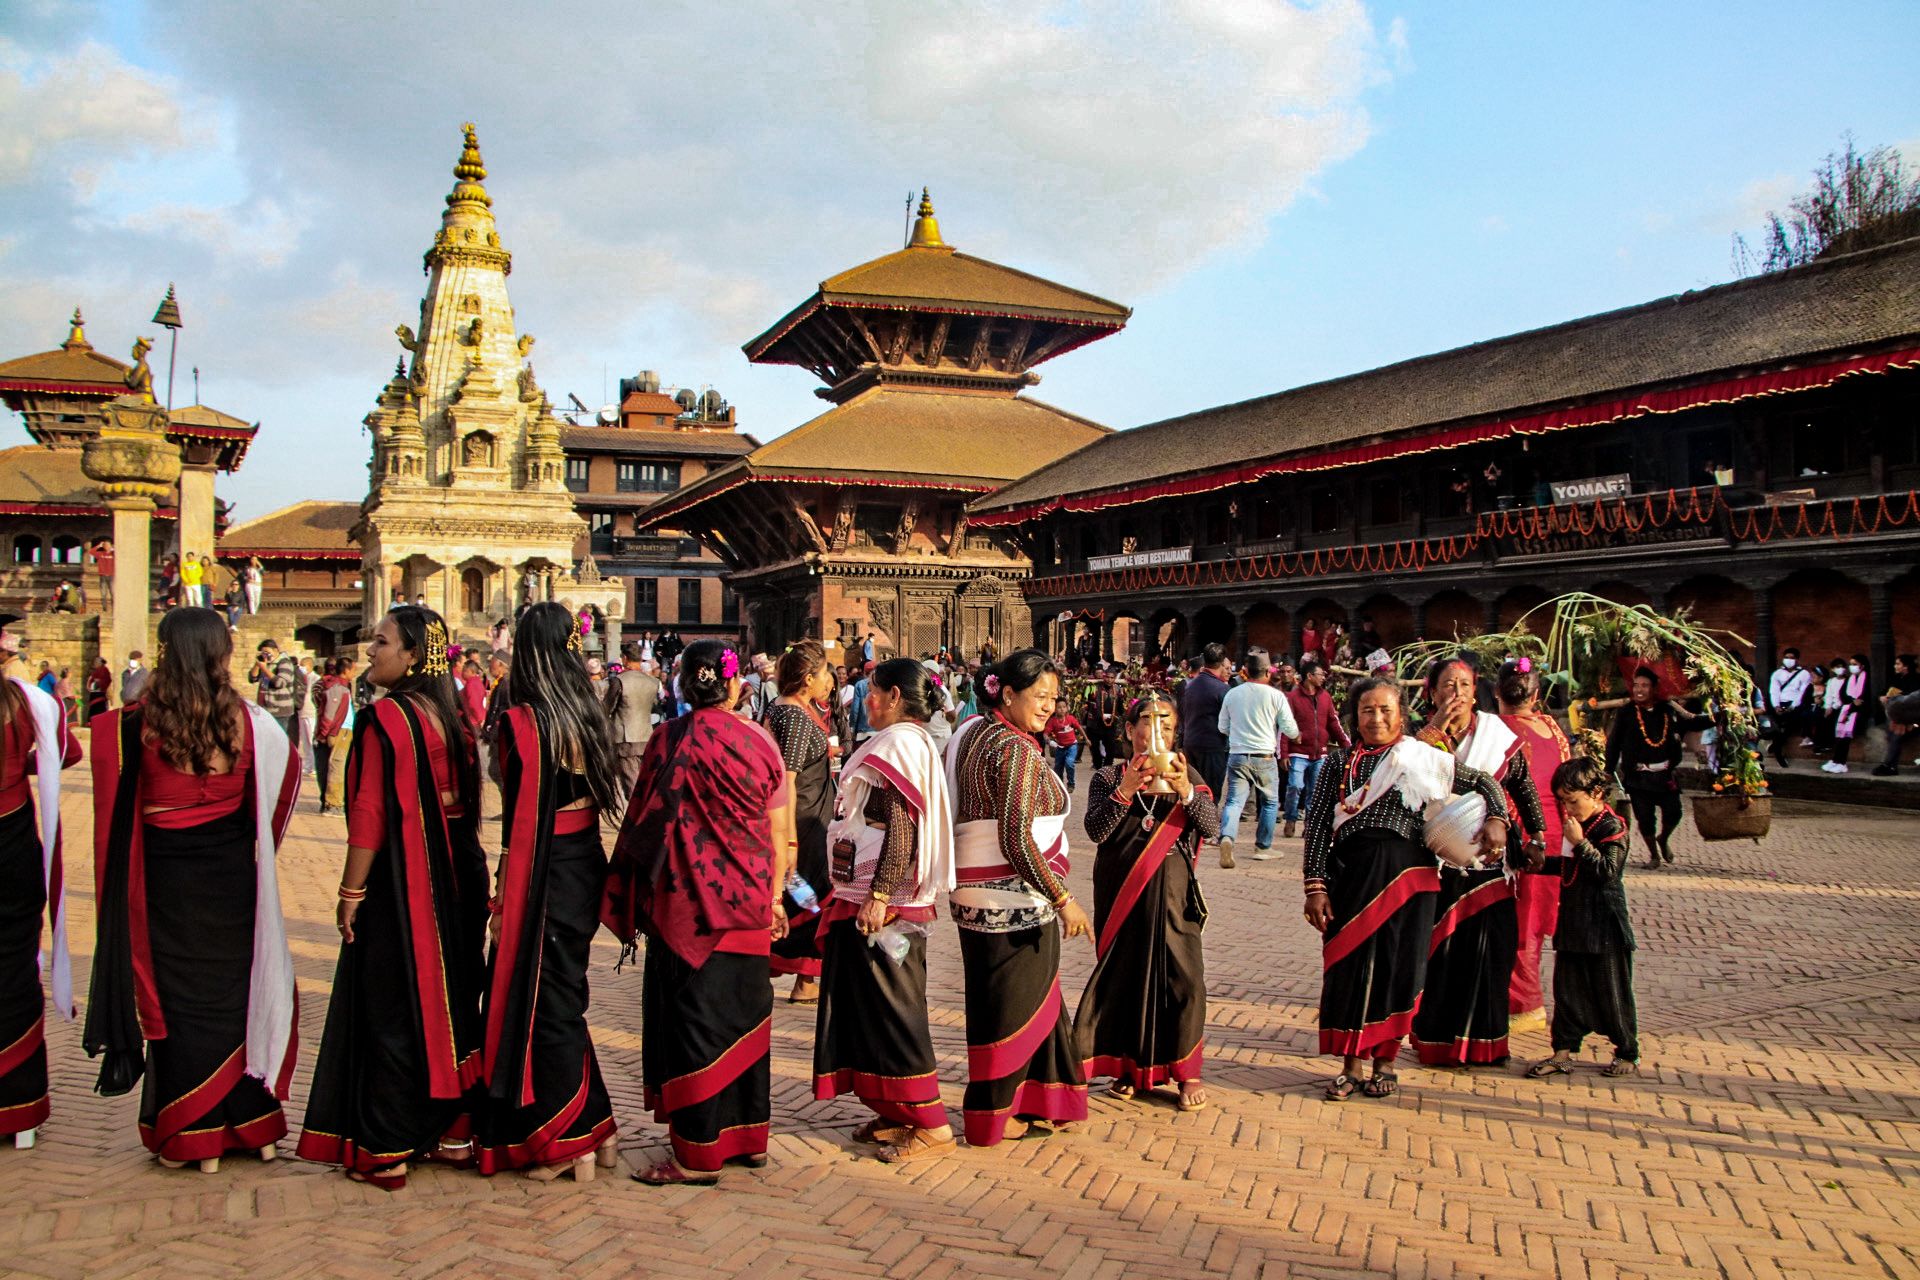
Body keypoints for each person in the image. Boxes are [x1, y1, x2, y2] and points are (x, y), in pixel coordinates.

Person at [84, 607, 301, 1173]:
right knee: (235, 993)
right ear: (221, 655)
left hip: (166, 879)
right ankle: (253, 1125)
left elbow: (112, 813)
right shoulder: (250, 724)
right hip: (232, 873)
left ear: (164, 652)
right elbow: (282, 785)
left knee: (178, 999)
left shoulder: (134, 727)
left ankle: (193, 1130)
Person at [297, 606, 488, 1190]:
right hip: (459, 876)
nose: (368, 649)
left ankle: (386, 1142)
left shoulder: (385, 720)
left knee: (392, 1004)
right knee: (455, 998)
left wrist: (351, 890)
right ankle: (455, 1133)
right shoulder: (451, 718)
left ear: (412, 656)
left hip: (404, 882)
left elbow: (371, 814)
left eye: (380, 641)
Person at [601, 639, 794, 1186]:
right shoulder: (760, 741)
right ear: (735, 686)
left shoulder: (668, 741)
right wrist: (777, 896)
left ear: (682, 686)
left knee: (693, 1026)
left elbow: (642, 822)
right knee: (745, 1017)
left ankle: (698, 1155)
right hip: (750, 903)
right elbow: (779, 831)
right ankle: (748, 1138)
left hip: (687, 909)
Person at [1302, 677, 1506, 1100]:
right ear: (1353, 715)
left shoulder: (1421, 757)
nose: (1376, 718)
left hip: (1410, 881)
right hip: (1351, 880)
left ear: (1402, 716)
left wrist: (1497, 820)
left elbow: (1486, 784)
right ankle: (1350, 1064)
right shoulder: (1337, 766)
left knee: (1398, 968)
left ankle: (1385, 1062)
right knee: (1348, 970)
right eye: (1367, 710)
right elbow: (1319, 828)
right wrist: (1315, 887)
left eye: (1385, 711)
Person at [475, 603, 622, 1181]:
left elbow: (519, 821)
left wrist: (504, 894)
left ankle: (567, 1139)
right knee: (563, 994)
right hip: (583, 859)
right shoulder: (583, 709)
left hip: (544, 866)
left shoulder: (525, 721)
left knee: (546, 1002)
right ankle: (596, 1125)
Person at [813, 659, 957, 1164]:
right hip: (871, 895)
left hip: (888, 904)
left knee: (896, 1010)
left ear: (894, 695)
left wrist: (880, 895)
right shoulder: (904, 742)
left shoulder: (899, 744)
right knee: (870, 1006)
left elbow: (902, 825)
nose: (864, 700)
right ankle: (895, 1108)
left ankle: (929, 1121)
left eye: (870, 691)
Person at [945, 648, 1090, 1146]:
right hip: (1015, 899)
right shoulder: (1014, 749)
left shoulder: (974, 732)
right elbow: (1016, 837)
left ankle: (1043, 1098)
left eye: (1054, 697)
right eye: (1039, 696)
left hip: (975, 896)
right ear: (1007, 694)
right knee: (1011, 1007)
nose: (1048, 706)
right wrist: (1062, 896)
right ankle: (993, 1113)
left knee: (1023, 998)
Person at [1074, 692, 1217, 1112]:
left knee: (1185, 977)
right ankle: (1127, 1067)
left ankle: (1187, 1073)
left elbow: (1210, 824)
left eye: (1166, 727)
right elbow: (1096, 832)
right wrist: (1124, 791)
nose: (1156, 734)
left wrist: (1187, 792)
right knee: (1125, 975)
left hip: (1173, 887)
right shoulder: (1107, 777)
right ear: (1129, 730)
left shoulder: (1185, 773)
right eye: (1148, 725)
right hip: (1121, 885)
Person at [1409, 656, 1545, 1069]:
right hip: (1438, 864)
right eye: (1448, 686)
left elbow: (1522, 786)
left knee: (1491, 953)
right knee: (1443, 955)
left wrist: (1536, 836)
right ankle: (1438, 1043)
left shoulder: (1496, 735)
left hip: (1491, 862)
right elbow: (1411, 791)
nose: (1457, 694)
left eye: (1465, 686)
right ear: (1432, 693)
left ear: (1476, 691)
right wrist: (1433, 738)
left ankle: (1486, 1043)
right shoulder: (1417, 744)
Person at [0, 612, 81, 1151]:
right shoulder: (26, 702)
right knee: (14, 966)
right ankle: (19, 1108)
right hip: (10, 845)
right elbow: (68, 753)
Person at [1528, 756, 1639, 1079]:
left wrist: (1580, 843)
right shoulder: (1576, 825)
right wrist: (1537, 863)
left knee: (1612, 990)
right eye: (1562, 802)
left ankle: (1627, 1051)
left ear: (1597, 794)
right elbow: (1569, 867)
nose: (1567, 809)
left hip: (1604, 923)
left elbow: (1606, 872)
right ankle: (1563, 1051)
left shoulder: (1611, 826)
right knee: (1567, 989)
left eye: (1573, 801)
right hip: (1574, 919)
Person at [1495, 658, 1571, 1034]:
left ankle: (1524, 1001)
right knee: (1535, 921)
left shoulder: (1497, 730)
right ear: (1536, 695)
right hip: (1555, 834)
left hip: (1521, 835)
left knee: (1519, 922)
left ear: (1496, 693)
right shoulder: (1553, 727)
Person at [765, 641, 837, 1002]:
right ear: (808, 678)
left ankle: (806, 977)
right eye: (825, 673)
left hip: (810, 815)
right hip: (802, 821)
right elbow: (787, 779)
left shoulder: (791, 709)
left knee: (807, 896)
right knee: (809, 897)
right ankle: (802, 977)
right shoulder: (793, 716)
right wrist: (789, 839)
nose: (831, 681)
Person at [1604, 668, 1711, 867]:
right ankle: (1653, 854)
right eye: (1636, 685)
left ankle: (1664, 838)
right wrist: (1608, 770)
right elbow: (1614, 743)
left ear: (1654, 689)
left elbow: (1692, 722)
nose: (1639, 690)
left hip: (1664, 776)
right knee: (1645, 818)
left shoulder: (1667, 710)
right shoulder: (1626, 713)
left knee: (1674, 812)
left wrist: (1720, 717)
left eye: (1644, 685)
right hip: (1638, 777)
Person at [1216, 649, 1299, 867]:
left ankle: (1226, 837)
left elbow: (1222, 726)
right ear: (1268, 673)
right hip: (1264, 755)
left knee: (1234, 801)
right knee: (1270, 802)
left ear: (1245, 671)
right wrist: (1297, 735)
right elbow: (1290, 729)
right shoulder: (1275, 695)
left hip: (1237, 754)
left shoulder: (1232, 694)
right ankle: (1263, 846)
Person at [1282, 658, 1348, 841]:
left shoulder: (1325, 697)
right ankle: (1291, 818)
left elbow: (1334, 723)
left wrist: (1347, 745)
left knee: (1316, 791)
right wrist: (1284, 753)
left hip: (1321, 753)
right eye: (1320, 674)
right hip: (1298, 752)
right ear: (1309, 676)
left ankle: (1310, 825)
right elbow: (1286, 727)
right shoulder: (1293, 698)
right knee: (1295, 786)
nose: (1323, 678)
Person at [1179, 644, 1232, 858]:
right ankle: (1206, 831)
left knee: (1194, 787)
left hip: (1191, 741)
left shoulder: (1191, 685)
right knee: (1211, 790)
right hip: (1213, 744)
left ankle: (1192, 827)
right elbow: (1228, 721)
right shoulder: (1221, 689)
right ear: (1220, 664)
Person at [606, 641, 662, 797]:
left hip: (625, 736)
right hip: (646, 734)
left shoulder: (619, 680)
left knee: (630, 781)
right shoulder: (653, 682)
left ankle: (637, 815)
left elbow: (607, 708)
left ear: (625, 658)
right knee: (645, 778)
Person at [312, 659, 352, 816]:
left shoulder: (328, 685)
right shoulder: (337, 687)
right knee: (337, 767)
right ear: (346, 670)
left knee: (328, 766)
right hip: (339, 730)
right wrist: (326, 732)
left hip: (337, 729)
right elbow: (329, 712)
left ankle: (327, 801)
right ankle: (333, 804)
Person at [1766, 648, 1812, 768]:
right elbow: (1774, 691)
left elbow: (1802, 693)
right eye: (1787, 657)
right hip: (1779, 703)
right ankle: (1776, 747)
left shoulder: (1804, 674)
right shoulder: (1777, 674)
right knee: (1778, 727)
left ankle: (1776, 749)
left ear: (1797, 659)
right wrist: (1776, 705)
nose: (1789, 660)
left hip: (1794, 705)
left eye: (1792, 658)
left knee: (1787, 727)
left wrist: (1792, 707)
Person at [1875, 655, 1920, 777]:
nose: (1895, 666)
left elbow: (1912, 702)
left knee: (1896, 736)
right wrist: (1882, 697)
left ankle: (1888, 765)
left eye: (1898, 664)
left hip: (1912, 721)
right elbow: (1883, 692)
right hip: (1896, 719)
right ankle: (1891, 766)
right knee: (1891, 735)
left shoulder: (1916, 680)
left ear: (1906, 666)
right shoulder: (1895, 678)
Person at [1825, 654, 1870, 774]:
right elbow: (1843, 695)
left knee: (1845, 737)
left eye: (1855, 664)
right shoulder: (1850, 679)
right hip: (1847, 710)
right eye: (1851, 664)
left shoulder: (1867, 679)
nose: (1852, 667)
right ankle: (1836, 760)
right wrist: (1852, 700)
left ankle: (1842, 762)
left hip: (1858, 713)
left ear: (1862, 666)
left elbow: (1864, 699)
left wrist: (1854, 703)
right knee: (1840, 735)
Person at [1045, 701, 1086, 790]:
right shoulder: (1052, 721)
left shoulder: (1070, 718)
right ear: (1054, 709)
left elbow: (1079, 727)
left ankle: (1071, 784)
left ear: (1067, 708)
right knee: (1058, 767)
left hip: (1072, 746)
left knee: (1069, 763)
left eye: (1064, 707)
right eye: (1059, 707)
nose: (1062, 709)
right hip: (1060, 748)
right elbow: (1045, 734)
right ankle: (1060, 786)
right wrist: (1049, 741)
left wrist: (1086, 739)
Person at [89, 539, 114, 607]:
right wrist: (99, 546)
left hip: (112, 576)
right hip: (103, 576)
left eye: (107, 545)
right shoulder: (100, 553)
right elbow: (91, 551)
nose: (106, 546)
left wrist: (113, 548)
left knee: (113, 592)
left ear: (110, 545)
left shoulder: (114, 554)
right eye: (105, 545)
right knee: (103, 593)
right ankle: (104, 608)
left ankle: (114, 607)